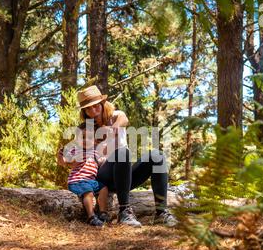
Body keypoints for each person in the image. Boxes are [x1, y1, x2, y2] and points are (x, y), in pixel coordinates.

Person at [71, 85, 178, 228]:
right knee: (122, 152)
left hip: (124, 176)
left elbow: (124, 120)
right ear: (84, 112)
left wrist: (109, 130)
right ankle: (125, 211)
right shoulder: (84, 130)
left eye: (96, 106)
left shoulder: (116, 115)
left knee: (156, 155)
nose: (93, 111)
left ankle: (161, 213)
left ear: (102, 104)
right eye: (88, 109)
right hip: (102, 178)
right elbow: (76, 154)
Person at [58, 124, 110, 227]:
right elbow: (64, 161)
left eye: (89, 137)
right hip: (77, 181)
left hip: (91, 181)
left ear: (95, 140)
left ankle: (103, 213)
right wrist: (61, 156)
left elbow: (101, 161)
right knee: (88, 192)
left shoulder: (95, 152)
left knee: (104, 188)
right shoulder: (76, 150)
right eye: (82, 137)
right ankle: (91, 216)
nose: (86, 140)